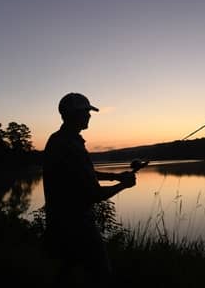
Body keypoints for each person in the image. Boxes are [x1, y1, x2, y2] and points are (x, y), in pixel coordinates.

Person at [42, 92, 137, 285]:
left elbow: (84, 173)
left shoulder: (58, 140)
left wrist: (116, 176)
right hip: (77, 225)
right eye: (86, 111)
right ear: (74, 114)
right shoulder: (71, 146)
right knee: (101, 274)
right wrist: (124, 185)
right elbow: (95, 194)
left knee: (68, 271)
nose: (89, 115)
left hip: (58, 221)